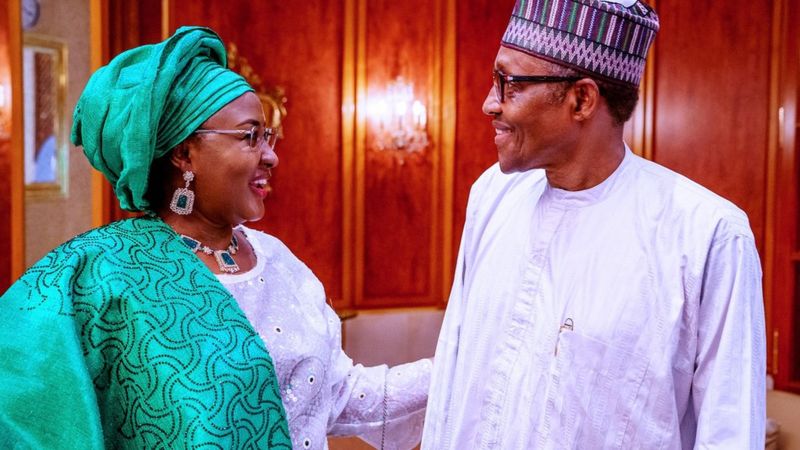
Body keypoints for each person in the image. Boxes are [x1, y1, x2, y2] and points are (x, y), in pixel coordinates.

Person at [0, 27, 430, 450]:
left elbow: (341, 396)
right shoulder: (107, 273)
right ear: (184, 152)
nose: (271, 155)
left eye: (269, 136)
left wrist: (469, 363)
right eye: (249, 137)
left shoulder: (277, 260)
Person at [422, 1, 766, 449]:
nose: (490, 104)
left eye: (508, 84)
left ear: (581, 99)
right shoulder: (492, 195)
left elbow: (731, 435)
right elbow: (453, 376)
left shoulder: (707, 236)